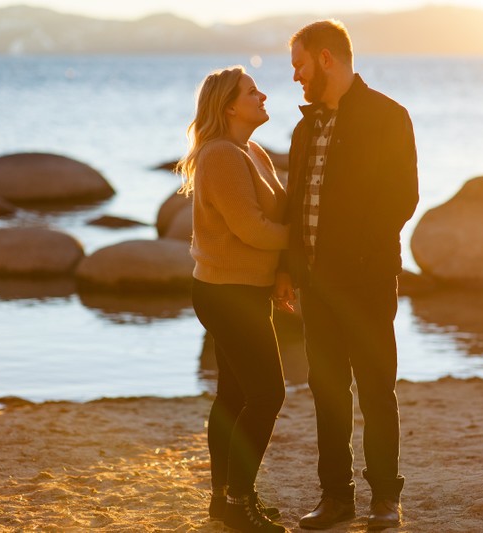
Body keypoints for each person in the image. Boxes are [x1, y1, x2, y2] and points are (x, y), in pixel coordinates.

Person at [274, 19, 419, 530]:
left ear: (326, 58)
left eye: (299, 65)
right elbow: (296, 207)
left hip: (367, 282)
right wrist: (289, 271)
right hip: (316, 287)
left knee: (377, 392)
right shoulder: (304, 128)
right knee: (327, 392)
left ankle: (385, 500)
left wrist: (354, 258)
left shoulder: (388, 116)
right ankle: (336, 498)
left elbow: (403, 199)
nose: (295, 77)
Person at [177, 66, 290, 533]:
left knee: (233, 396)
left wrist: (282, 270)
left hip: (242, 290)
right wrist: (308, 245)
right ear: (228, 106)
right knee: (268, 394)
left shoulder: (252, 150)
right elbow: (252, 230)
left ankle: (224, 501)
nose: (262, 95)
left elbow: (270, 220)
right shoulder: (222, 155)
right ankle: (239, 503)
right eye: (251, 92)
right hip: (227, 294)